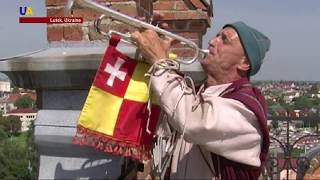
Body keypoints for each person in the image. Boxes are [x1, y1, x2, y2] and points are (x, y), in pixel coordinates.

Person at [131, 21, 271, 179]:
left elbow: (192, 122)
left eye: (224, 40)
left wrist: (160, 61)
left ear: (244, 63)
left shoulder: (246, 111)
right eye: (216, 36)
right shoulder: (199, 94)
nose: (212, 41)